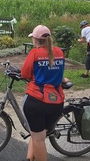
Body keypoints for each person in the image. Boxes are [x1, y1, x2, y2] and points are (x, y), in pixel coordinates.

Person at [21, 25, 69, 161]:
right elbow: (59, 73)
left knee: (38, 139)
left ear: (35, 40)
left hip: (36, 100)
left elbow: (25, 74)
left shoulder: (35, 53)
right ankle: (29, 158)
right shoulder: (59, 52)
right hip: (56, 101)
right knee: (39, 134)